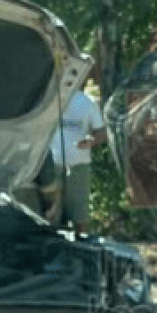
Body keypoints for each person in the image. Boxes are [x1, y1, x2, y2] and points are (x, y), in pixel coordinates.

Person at [50, 82, 107, 234]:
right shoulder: (49, 101)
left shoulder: (88, 102)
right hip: (53, 165)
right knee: (51, 213)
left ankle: (81, 245)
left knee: (79, 216)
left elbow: (101, 132)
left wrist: (91, 141)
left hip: (79, 165)